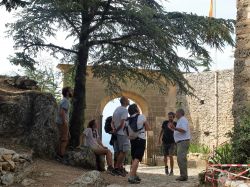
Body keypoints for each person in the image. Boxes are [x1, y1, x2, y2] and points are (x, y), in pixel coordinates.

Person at [127, 104, 150, 184]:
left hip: (132, 139)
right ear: (136, 109)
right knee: (137, 157)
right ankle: (131, 176)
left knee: (133, 157)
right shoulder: (141, 117)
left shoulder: (128, 119)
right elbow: (148, 128)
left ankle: (134, 174)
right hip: (141, 139)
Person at [169, 109, 191, 181]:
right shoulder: (180, 120)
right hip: (181, 142)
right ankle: (183, 175)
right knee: (180, 159)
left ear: (180, 113)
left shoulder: (183, 120)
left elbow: (183, 130)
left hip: (183, 142)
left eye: (176, 113)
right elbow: (179, 131)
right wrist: (173, 129)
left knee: (181, 159)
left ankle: (184, 176)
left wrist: (174, 128)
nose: (175, 114)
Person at [112, 96, 130, 176]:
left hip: (117, 133)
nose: (129, 100)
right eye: (127, 99)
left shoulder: (116, 109)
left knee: (119, 151)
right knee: (124, 151)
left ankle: (120, 168)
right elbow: (122, 123)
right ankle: (116, 168)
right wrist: (117, 129)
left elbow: (112, 122)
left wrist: (114, 129)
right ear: (125, 102)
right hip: (122, 133)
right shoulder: (125, 110)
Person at [55, 86, 73, 161]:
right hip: (63, 122)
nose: (72, 91)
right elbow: (62, 112)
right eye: (71, 90)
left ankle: (59, 155)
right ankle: (61, 156)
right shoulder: (66, 101)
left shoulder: (64, 100)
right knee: (64, 139)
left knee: (64, 138)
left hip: (61, 122)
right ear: (67, 93)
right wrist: (65, 123)